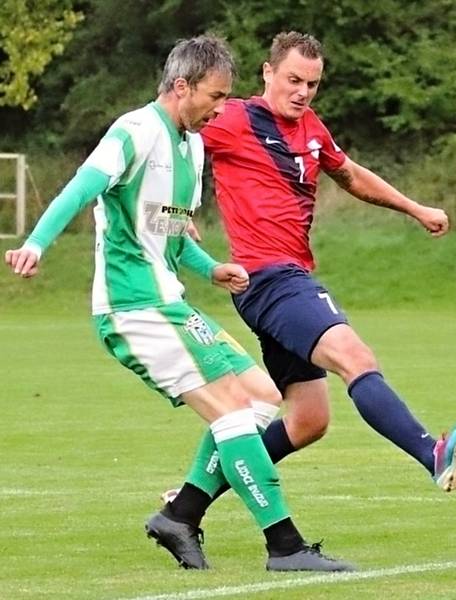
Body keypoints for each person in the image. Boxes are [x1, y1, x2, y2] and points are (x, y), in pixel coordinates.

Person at [4, 35, 353, 573]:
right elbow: (81, 188)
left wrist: (210, 267)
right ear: (181, 86)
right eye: (215, 96)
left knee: (260, 395)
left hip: (170, 301)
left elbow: (167, 230)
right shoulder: (136, 131)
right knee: (233, 411)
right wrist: (35, 243)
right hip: (133, 308)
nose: (222, 108)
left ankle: (181, 515)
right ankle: (284, 545)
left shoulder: (191, 144)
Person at [161, 31, 456, 535]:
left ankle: (186, 507)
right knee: (356, 358)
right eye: (293, 79)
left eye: (312, 83)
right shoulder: (235, 117)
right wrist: (175, 209)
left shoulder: (310, 127)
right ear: (268, 73)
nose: (303, 91)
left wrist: (414, 208)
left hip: (283, 280)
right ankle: (431, 452)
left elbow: (349, 174)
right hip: (270, 278)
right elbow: (171, 131)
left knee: (308, 419)